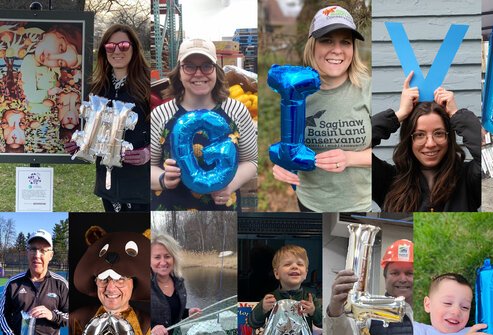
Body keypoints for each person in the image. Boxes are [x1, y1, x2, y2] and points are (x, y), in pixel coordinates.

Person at [271, 5, 371, 212]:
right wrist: (281, 162)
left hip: (362, 203)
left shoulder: (369, 88)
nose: (337, 50)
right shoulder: (296, 91)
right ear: (313, 46)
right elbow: (289, 145)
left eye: (345, 42)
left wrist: (350, 158)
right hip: (311, 203)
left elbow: (393, 154)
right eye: (327, 40)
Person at [150, 38, 258, 210]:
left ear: (216, 70)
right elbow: (148, 168)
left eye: (207, 66)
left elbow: (251, 161)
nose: (199, 73)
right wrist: (163, 178)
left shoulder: (237, 110)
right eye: (189, 66)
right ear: (179, 71)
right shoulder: (161, 114)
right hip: (171, 212)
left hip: (221, 210)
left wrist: (229, 186)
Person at [63, 24, 151, 212]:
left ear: (134, 49)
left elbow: (167, 133)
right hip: (108, 187)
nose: (117, 51)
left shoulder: (149, 86)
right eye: (110, 47)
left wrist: (148, 153)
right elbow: (89, 131)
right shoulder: (97, 88)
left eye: (124, 46)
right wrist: (79, 144)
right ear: (104, 51)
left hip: (141, 187)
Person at [372, 73, 481, 211]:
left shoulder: (468, 178)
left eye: (439, 133)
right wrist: (399, 114)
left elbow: (489, 155)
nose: (430, 144)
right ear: (409, 139)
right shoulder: (388, 180)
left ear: (449, 137)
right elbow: (353, 147)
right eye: (419, 135)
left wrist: (456, 114)